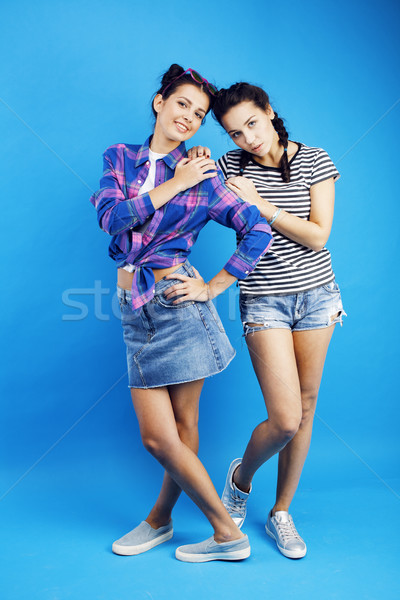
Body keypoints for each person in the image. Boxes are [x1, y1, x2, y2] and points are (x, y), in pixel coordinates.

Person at [89, 66, 273, 563]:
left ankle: (222, 531)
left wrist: (214, 286)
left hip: (175, 304)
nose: (189, 117)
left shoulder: (204, 175)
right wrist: (175, 182)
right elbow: (111, 218)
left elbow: (256, 230)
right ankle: (163, 520)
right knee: (166, 434)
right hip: (133, 308)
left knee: (171, 430)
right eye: (182, 104)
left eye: (199, 113)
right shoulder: (120, 159)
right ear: (159, 102)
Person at [188, 81, 345, 559]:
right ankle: (241, 479)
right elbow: (195, 199)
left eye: (253, 124)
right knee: (284, 418)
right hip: (263, 299)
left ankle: (281, 512)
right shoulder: (229, 165)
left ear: (270, 112)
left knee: (307, 408)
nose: (248, 139)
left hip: (317, 295)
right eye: (235, 133)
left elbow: (318, 236)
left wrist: (264, 206)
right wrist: (192, 159)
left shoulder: (315, 159)